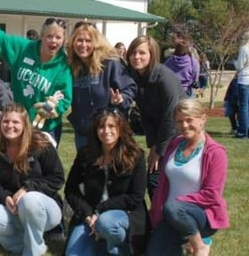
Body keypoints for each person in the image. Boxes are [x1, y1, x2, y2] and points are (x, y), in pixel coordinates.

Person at [0, 0, 73, 146]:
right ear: (42, 36)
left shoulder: (64, 65)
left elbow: (64, 96)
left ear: (63, 39)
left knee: (41, 168)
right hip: (17, 122)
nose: (54, 41)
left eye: (58, 37)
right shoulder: (22, 49)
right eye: (50, 36)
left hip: (46, 127)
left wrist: (54, 108)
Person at [0, 103, 64, 256]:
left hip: (43, 209)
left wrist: (27, 188)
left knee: (29, 200)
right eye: (5, 121)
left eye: (15, 122)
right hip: (11, 208)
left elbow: (57, 178)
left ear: (25, 124)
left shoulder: (41, 144)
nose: (9, 126)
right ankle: (20, 245)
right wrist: (4, 197)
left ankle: (32, 252)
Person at [146, 99, 229, 256]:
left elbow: (212, 194)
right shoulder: (175, 144)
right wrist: (157, 209)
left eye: (189, 120)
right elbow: (163, 184)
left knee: (174, 208)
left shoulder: (216, 153)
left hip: (200, 215)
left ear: (202, 119)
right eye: (179, 121)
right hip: (170, 215)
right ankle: (185, 243)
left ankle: (199, 245)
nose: (184, 126)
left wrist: (176, 204)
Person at [65, 107, 147, 256]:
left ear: (120, 128)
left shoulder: (135, 155)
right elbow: (71, 189)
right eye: (101, 126)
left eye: (111, 126)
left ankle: (119, 250)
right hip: (90, 217)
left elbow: (136, 196)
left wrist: (100, 211)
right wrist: (88, 215)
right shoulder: (85, 154)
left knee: (106, 224)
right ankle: (102, 243)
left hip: (122, 215)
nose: (106, 131)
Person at [127, 36, 185, 198]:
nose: (136, 57)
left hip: (181, 134)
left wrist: (158, 150)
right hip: (161, 136)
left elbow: (171, 116)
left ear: (152, 54)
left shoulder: (164, 78)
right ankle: (158, 219)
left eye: (142, 53)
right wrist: (153, 144)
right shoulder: (137, 77)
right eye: (133, 53)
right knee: (154, 182)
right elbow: (146, 115)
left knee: (157, 180)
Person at [65, 22, 136, 150]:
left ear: (96, 43)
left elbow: (130, 88)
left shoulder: (111, 63)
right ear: (72, 42)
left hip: (109, 132)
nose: (83, 45)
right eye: (79, 40)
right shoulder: (72, 66)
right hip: (84, 133)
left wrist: (121, 99)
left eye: (88, 40)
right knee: (86, 169)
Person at [234, 30, 249, 138]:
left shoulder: (244, 49)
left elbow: (240, 65)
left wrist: (235, 62)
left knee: (243, 106)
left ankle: (243, 131)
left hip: (244, 79)